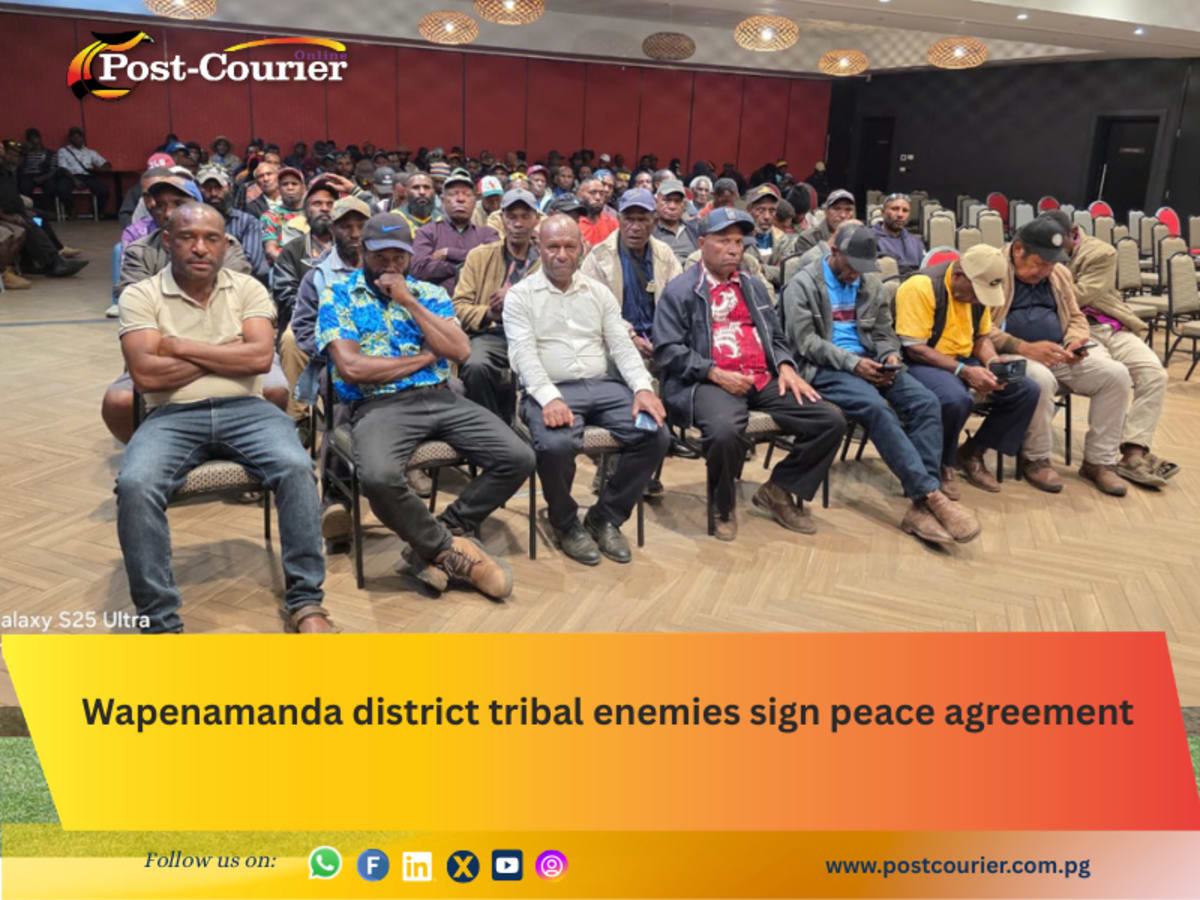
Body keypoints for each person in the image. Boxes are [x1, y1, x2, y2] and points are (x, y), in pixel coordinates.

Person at [114, 202, 332, 634]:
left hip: (247, 411)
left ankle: (307, 603)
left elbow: (258, 358)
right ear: (167, 241)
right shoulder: (142, 294)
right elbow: (144, 373)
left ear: (225, 243)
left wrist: (177, 346)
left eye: (211, 238)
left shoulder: (248, 288)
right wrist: (225, 354)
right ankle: (159, 619)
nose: (200, 247)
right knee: (136, 485)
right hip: (171, 413)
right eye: (187, 237)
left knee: (295, 467)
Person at [317, 213, 535, 599]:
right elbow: (352, 368)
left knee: (518, 456)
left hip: (441, 396)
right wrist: (421, 359)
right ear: (363, 251)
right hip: (378, 406)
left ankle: (439, 537)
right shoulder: (339, 294)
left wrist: (408, 300)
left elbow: (461, 350)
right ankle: (449, 552)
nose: (390, 265)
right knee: (380, 478)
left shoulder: (429, 293)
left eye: (398, 256)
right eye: (380, 255)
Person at [654, 207, 846, 541]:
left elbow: (777, 336)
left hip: (759, 375)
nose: (733, 249)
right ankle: (723, 504)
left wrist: (786, 365)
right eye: (723, 240)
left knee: (830, 420)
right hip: (706, 379)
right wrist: (713, 372)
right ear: (701, 243)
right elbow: (667, 351)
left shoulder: (753, 286)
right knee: (725, 431)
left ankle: (780, 489)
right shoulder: (682, 290)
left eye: (739, 242)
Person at [783, 223, 981, 545]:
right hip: (826, 367)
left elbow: (883, 332)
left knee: (926, 402)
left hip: (871, 362)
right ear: (834, 253)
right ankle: (931, 496)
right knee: (877, 409)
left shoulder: (870, 283)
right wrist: (853, 363)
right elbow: (805, 343)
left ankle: (919, 508)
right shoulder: (803, 285)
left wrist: (889, 355)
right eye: (851, 268)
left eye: (863, 270)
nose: (855, 276)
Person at [505, 215, 669, 564]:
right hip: (550, 388)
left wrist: (642, 387)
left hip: (603, 387)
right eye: (553, 246)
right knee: (555, 444)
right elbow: (523, 355)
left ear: (582, 249)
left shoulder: (598, 292)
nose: (561, 254)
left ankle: (605, 516)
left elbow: (622, 346)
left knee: (654, 433)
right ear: (539, 248)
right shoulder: (520, 296)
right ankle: (565, 522)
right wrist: (548, 397)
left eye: (569, 246)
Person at [988, 215, 1133, 496]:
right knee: (1040, 380)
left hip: (1058, 352)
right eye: (1040, 263)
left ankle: (1099, 462)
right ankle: (1036, 458)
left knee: (1116, 375)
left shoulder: (1058, 274)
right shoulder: (993, 269)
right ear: (1018, 250)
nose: (1046, 270)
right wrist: (1023, 347)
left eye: (1052, 262)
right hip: (1010, 354)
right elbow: (978, 329)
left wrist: (1074, 341)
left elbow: (1076, 317)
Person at [1045, 209, 1176, 487]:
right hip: (1077, 328)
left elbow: (1078, 295)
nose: (1053, 250)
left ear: (1072, 234)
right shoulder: (1044, 245)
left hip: (1112, 326)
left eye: (1059, 243)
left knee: (1155, 374)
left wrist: (1049, 284)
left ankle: (1133, 452)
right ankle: (1098, 460)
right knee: (1111, 374)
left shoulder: (1100, 252)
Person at [896, 244, 1040, 495]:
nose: (977, 299)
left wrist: (992, 362)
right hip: (921, 360)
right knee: (955, 398)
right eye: (976, 292)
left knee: (1025, 390)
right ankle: (943, 462)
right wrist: (964, 371)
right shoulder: (921, 286)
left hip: (960, 357)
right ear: (960, 274)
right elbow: (914, 348)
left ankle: (972, 452)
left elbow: (981, 337)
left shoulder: (976, 293)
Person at [452, 188, 541, 420]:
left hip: (536, 335)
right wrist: (490, 313)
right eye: (512, 216)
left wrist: (515, 302)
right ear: (502, 219)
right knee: (476, 365)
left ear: (536, 219)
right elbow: (459, 306)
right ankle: (492, 429)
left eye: (525, 216)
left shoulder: (546, 259)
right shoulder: (479, 256)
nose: (518, 223)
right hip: (490, 333)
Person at [0, 139, 87, 282]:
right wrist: (8, 217)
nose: (14, 157)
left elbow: (11, 196)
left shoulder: (7, 171)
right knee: (31, 225)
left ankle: (53, 254)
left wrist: (24, 210)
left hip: (17, 211)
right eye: (10, 154)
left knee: (40, 219)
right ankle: (54, 262)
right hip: (6, 216)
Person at [271, 176, 341, 333]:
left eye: (330, 204)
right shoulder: (293, 250)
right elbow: (285, 297)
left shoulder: (349, 246)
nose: (325, 208)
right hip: (306, 322)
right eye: (317, 204)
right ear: (306, 210)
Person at [409, 171, 498, 294]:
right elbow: (418, 270)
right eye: (453, 194)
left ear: (474, 201)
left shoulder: (488, 234)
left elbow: (494, 264)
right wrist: (460, 267)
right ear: (443, 200)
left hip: (479, 306)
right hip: (438, 308)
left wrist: (449, 253)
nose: (460, 199)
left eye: (466, 194)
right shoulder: (427, 232)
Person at [197, 165, 267, 281]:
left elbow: (250, 262)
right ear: (199, 190)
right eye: (208, 188)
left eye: (219, 187)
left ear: (229, 187)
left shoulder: (247, 222)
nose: (214, 193)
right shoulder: (193, 223)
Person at [53, 126, 111, 216]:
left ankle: (97, 211)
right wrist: (75, 180)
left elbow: (106, 164)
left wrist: (99, 169)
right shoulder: (63, 151)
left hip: (87, 176)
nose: (79, 140)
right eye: (75, 138)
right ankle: (71, 210)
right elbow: (63, 168)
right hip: (70, 176)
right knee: (61, 189)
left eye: (80, 137)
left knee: (104, 189)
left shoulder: (90, 152)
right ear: (70, 139)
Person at [260, 167, 308, 263]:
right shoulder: (272, 216)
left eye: (294, 184)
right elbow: (271, 250)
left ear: (303, 188)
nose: (290, 187)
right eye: (285, 184)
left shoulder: (311, 214)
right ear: (279, 189)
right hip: (283, 267)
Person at [790, 188, 856, 257]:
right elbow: (805, 265)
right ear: (826, 211)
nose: (843, 215)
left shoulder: (859, 236)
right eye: (837, 209)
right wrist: (836, 236)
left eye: (848, 209)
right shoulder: (808, 238)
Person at [872, 193, 925, 275]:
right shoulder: (869, 239)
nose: (900, 214)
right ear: (883, 212)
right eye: (895, 209)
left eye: (905, 210)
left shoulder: (917, 243)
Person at [745, 184, 786, 287]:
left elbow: (786, 274)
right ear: (749, 210)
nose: (767, 217)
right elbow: (744, 272)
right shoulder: (740, 238)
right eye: (761, 210)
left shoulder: (782, 238)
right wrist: (774, 270)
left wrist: (759, 268)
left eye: (772, 211)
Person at [653, 179, 700, 263]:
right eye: (666, 200)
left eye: (677, 201)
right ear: (656, 202)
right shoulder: (649, 231)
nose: (672, 206)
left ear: (684, 205)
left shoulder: (694, 230)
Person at [17, 128, 58, 218]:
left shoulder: (50, 153)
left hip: (44, 175)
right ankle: (28, 211)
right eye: (30, 140)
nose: (34, 142)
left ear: (39, 138)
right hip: (27, 175)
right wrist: (24, 153)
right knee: (24, 186)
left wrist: (43, 178)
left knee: (50, 185)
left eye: (35, 138)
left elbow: (54, 169)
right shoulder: (24, 153)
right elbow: (18, 166)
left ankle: (48, 211)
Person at [577, 177, 619, 247]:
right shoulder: (574, 224)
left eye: (601, 193)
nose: (598, 197)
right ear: (579, 195)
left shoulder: (613, 223)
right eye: (592, 193)